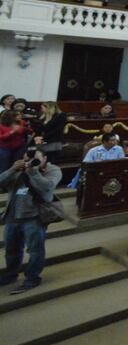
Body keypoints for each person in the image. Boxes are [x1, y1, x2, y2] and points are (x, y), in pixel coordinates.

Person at [0, 149, 62, 294]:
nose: (30, 161)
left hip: (34, 217)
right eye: (27, 158)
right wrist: (12, 169)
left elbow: (47, 187)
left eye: (35, 158)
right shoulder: (18, 170)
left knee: (35, 250)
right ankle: (11, 274)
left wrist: (33, 171)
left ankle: (32, 277)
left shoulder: (53, 170)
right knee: (11, 249)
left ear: (44, 159)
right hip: (13, 216)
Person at [0, 109, 28, 173]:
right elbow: (1, 137)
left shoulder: (21, 122)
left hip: (19, 148)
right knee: (4, 167)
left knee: (16, 166)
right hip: (5, 149)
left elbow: (29, 131)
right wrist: (12, 132)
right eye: (17, 115)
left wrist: (25, 129)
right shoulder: (1, 125)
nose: (20, 116)